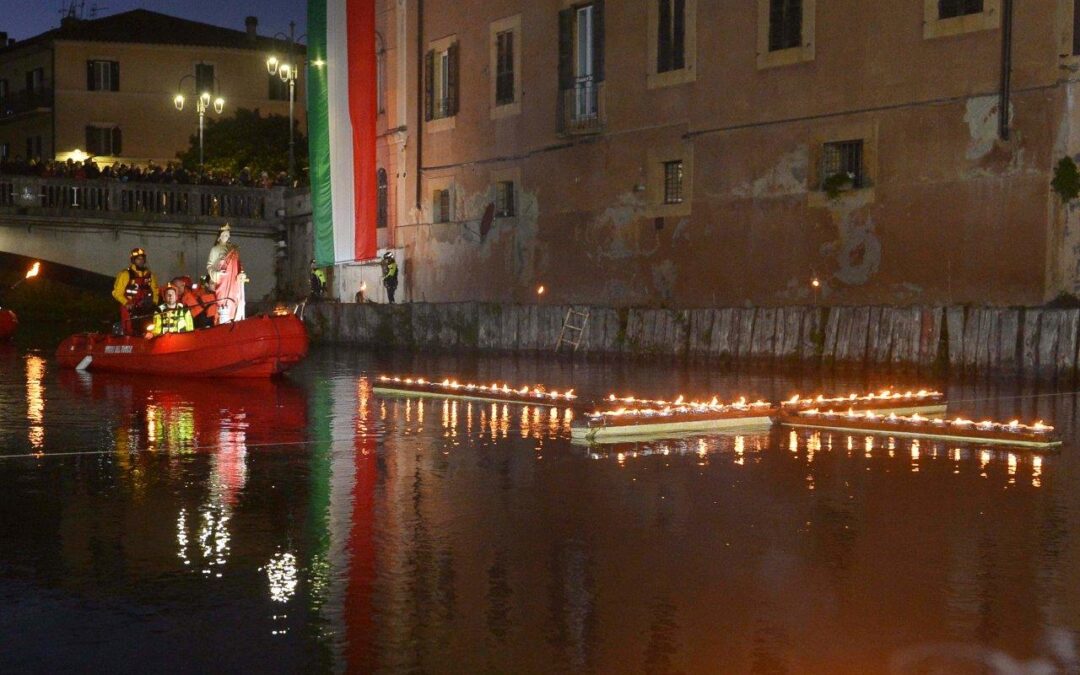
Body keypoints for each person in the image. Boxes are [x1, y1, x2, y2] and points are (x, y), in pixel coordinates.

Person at [112, 247, 159, 335]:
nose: (141, 261)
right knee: (130, 329)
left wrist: (154, 303)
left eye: (142, 259)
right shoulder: (125, 274)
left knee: (147, 328)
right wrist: (126, 303)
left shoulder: (149, 275)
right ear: (133, 260)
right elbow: (116, 292)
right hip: (130, 308)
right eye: (138, 259)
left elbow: (155, 290)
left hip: (145, 308)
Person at [206, 223, 247, 323]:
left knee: (234, 299)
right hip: (222, 280)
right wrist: (217, 273)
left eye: (228, 235)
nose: (227, 237)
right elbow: (210, 266)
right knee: (223, 301)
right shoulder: (215, 249)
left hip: (232, 279)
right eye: (224, 235)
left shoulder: (232, 250)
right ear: (220, 236)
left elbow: (238, 265)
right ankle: (223, 320)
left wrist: (241, 274)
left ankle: (233, 318)